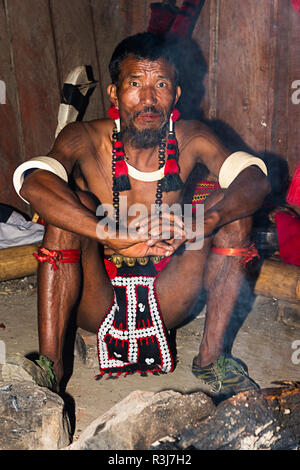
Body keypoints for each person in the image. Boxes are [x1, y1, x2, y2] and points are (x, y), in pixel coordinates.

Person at [5, 32, 270, 401]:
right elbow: (33, 183)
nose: (148, 98)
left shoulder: (192, 137)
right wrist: (107, 233)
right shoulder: (82, 137)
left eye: (161, 84)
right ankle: (51, 365)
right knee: (70, 205)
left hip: (168, 293)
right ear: (114, 93)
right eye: (135, 84)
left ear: (175, 95)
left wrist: (200, 223)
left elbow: (254, 181)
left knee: (230, 210)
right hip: (96, 297)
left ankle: (212, 358)